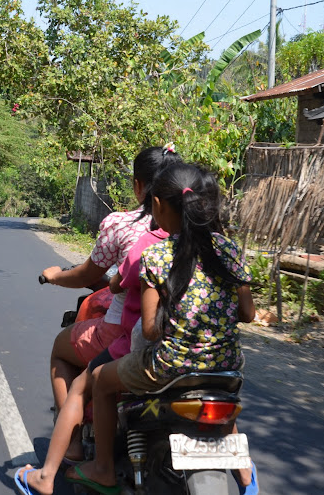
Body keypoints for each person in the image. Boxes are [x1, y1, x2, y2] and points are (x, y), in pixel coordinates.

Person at [64, 162, 259, 495]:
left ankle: (101, 468)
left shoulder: (156, 255)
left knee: (99, 380)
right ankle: (245, 474)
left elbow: (152, 331)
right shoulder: (229, 250)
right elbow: (248, 313)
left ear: (157, 205)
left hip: (170, 366)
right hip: (228, 367)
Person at [15, 225, 169, 495]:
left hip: (148, 349)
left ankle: (60, 470)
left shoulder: (150, 247)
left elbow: (141, 321)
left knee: (92, 379)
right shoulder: (221, 250)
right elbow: (247, 312)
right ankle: (243, 469)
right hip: (219, 359)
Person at [40, 145, 181, 422]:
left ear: (138, 186)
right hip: (183, 331)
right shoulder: (197, 230)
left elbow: (89, 276)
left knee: (60, 349)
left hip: (125, 331)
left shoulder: (124, 226)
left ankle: (73, 444)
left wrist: (55, 276)